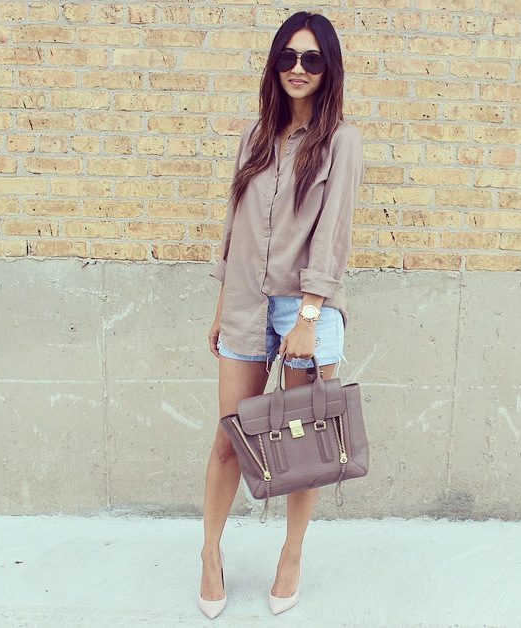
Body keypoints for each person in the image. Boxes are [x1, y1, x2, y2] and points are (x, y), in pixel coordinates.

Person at [198, 11, 363, 618]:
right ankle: (210, 554)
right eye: (288, 56)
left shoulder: (341, 141)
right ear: (275, 64)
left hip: (305, 308)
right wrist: (223, 307)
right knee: (229, 438)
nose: (298, 68)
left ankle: (290, 556)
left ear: (328, 68)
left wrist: (308, 318)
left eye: (311, 58)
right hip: (245, 302)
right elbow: (234, 225)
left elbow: (333, 232)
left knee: (304, 447)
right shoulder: (254, 136)